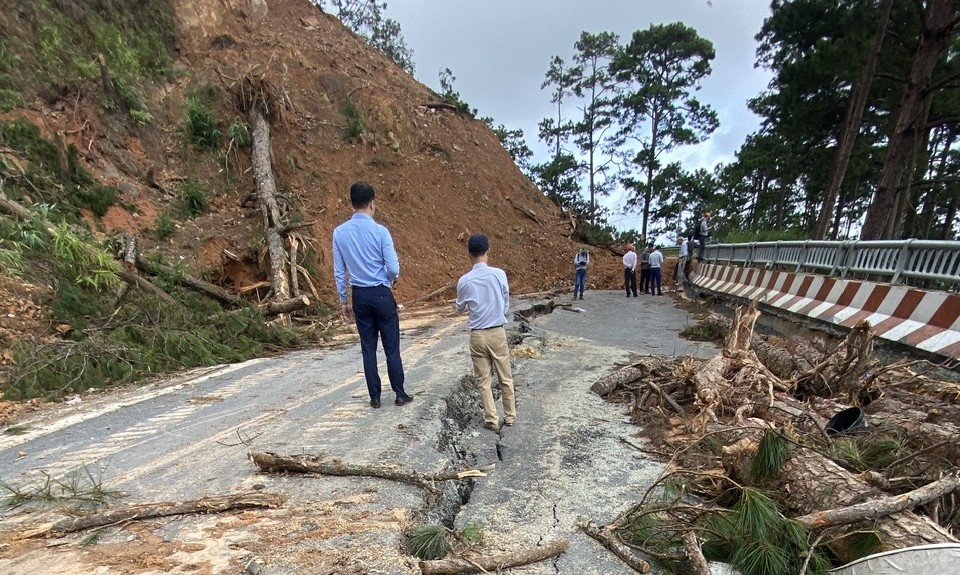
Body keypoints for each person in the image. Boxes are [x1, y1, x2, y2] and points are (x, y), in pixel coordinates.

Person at [332, 181, 413, 409]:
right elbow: (393, 267)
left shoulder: (339, 233)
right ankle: (399, 393)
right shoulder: (380, 232)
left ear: (352, 203)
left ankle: (375, 397)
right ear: (372, 203)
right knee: (391, 347)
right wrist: (387, 281)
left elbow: (339, 271)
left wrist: (343, 300)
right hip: (381, 292)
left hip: (359, 295)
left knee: (368, 347)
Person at [455, 234, 516, 431]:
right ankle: (510, 416)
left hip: (477, 334)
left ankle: (491, 418)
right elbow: (506, 300)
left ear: (468, 254)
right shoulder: (499, 275)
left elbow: (459, 309)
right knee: (505, 377)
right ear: (488, 251)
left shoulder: (464, 281)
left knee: (483, 381)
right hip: (497, 331)